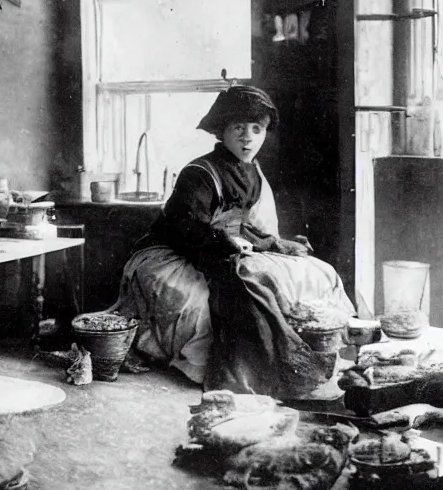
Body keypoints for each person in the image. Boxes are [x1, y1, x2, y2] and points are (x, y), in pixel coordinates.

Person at [114, 85, 355, 398]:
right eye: (238, 128)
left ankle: (305, 354)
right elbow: (182, 226)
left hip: (225, 243)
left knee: (313, 270)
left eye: (256, 129)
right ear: (221, 131)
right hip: (176, 249)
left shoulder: (251, 171)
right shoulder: (199, 172)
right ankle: (245, 369)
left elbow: (246, 224)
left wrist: (274, 244)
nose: (247, 137)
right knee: (228, 295)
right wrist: (222, 239)